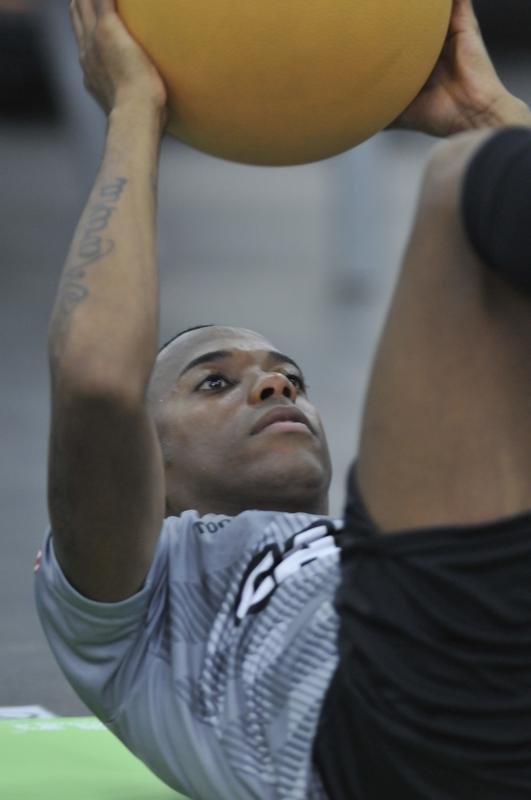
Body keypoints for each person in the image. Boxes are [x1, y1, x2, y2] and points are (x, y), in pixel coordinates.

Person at [34, 0, 531, 797]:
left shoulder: (354, 548)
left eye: (287, 377)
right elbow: (97, 379)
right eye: (213, 382)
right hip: (379, 744)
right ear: (145, 457)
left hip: (490, 681)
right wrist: (134, 108)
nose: (273, 384)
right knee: (461, 188)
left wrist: (480, 109)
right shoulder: (134, 605)